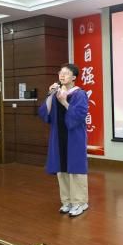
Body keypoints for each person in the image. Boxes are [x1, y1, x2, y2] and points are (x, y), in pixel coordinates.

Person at [39, 63, 89, 217]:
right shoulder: (56, 93)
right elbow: (44, 113)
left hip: (74, 137)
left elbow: (79, 116)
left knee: (76, 170)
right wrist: (50, 95)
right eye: (61, 72)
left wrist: (65, 102)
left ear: (74, 77)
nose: (62, 75)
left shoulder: (79, 94)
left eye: (66, 73)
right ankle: (67, 201)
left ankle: (80, 202)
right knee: (62, 170)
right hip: (58, 137)